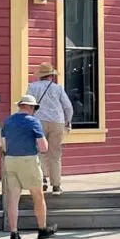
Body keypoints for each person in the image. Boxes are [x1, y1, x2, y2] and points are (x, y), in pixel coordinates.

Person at [1, 94, 57, 239]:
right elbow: (43, 148)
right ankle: (42, 229)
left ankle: (14, 233)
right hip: (28, 160)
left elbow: (3, 145)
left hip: (10, 160)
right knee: (38, 195)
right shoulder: (33, 122)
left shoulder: (8, 121)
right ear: (31, 107)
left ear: (20, 106)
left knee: (13, 198)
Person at [25, 62, 74, 195]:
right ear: (51, 75)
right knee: (55, 154)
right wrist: (68, 121)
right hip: (57, 121)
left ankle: (43, 180)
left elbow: (27, 106)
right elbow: (68, 107)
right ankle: (56, 185)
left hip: (38, 122)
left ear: (40, 76)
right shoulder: (58, 88)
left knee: (39, 152)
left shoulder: (32, 87)